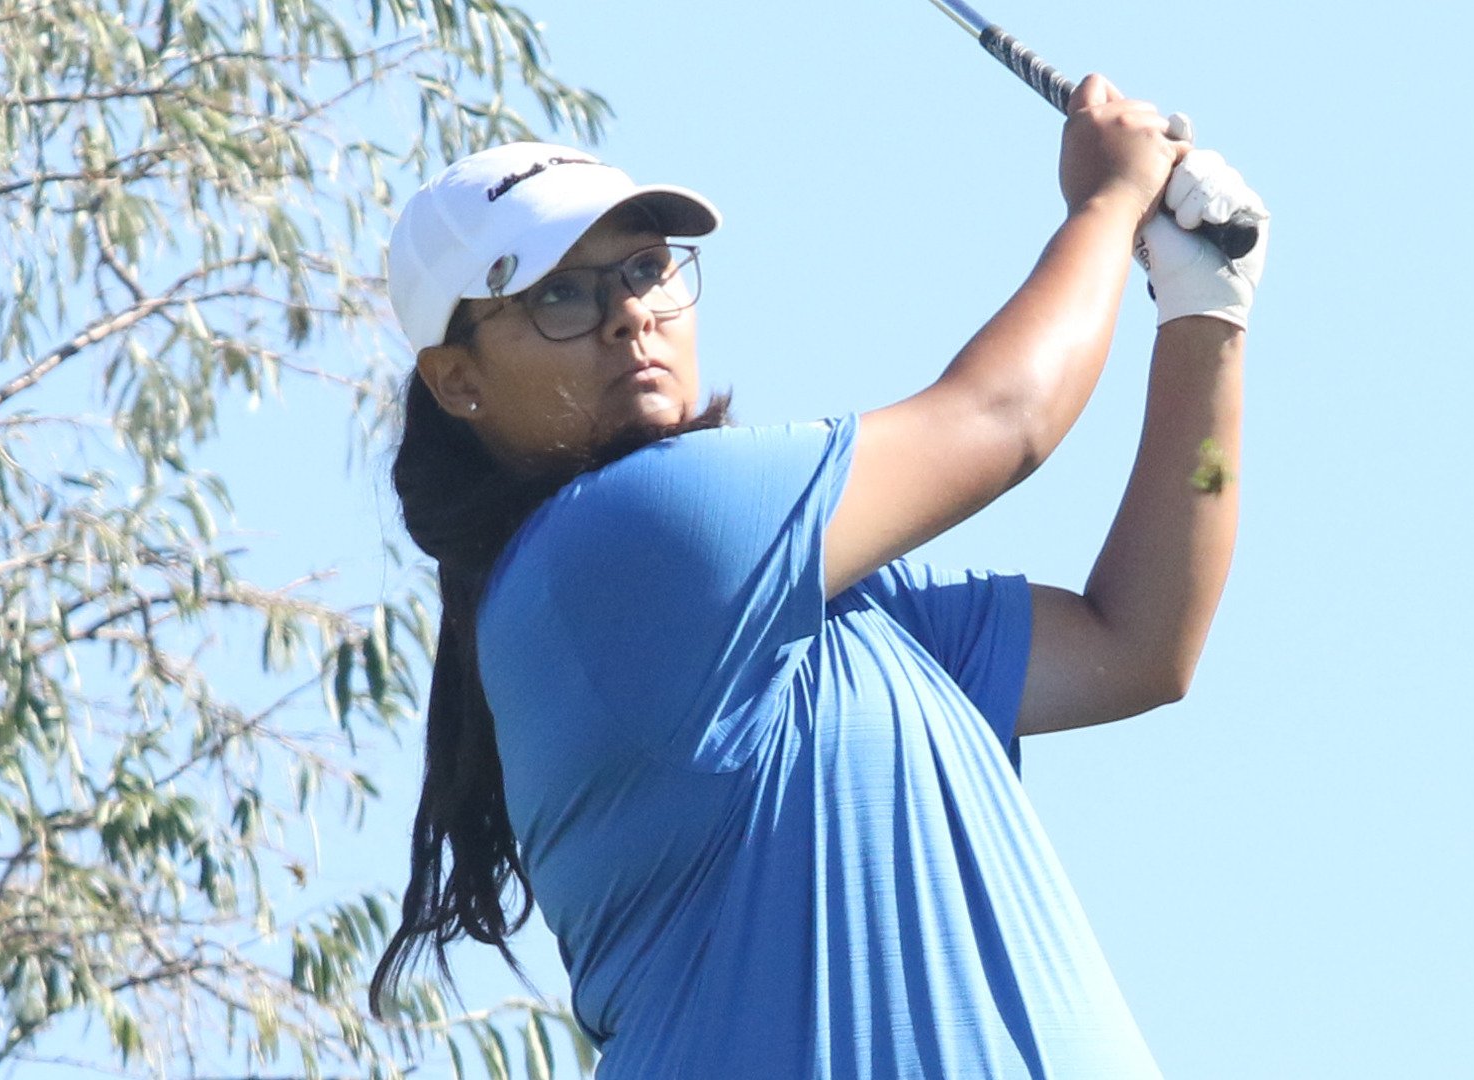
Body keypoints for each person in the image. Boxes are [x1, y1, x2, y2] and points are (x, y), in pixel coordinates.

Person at [369, 73, 1267, 1079]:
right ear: (459, 381)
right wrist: (1108, 203)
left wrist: (1203, 316)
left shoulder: (838, 615)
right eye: (558, 296)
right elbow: (1003, 417)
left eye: (645, 268)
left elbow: (1138, 642)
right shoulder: (617, 545)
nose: (629, 315)